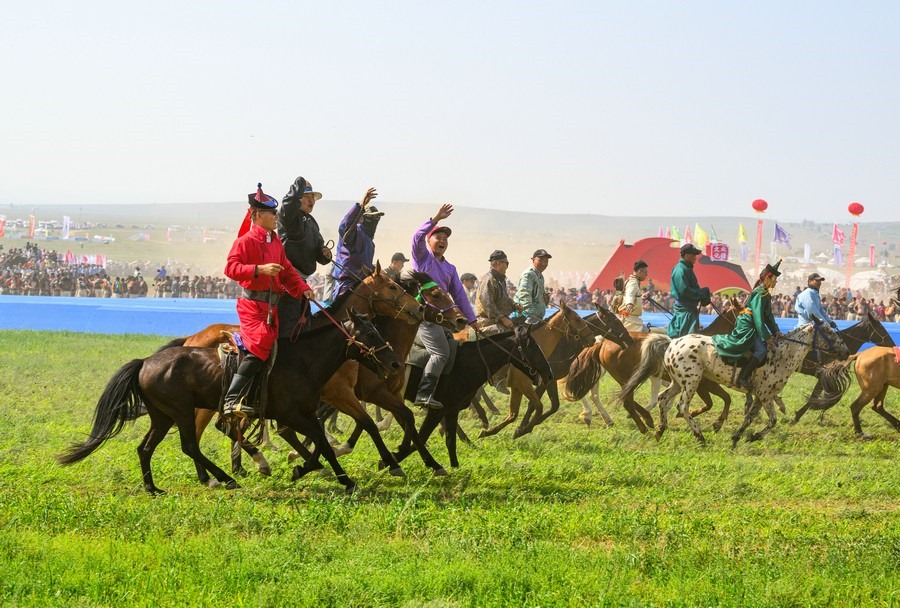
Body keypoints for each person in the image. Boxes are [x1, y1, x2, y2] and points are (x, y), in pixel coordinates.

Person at [222, 183, 314, 419]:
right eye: (272, 213)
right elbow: (230, 268)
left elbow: (288, 271)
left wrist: (303, 289)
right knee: (262, 342)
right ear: (258, 215)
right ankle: (232, 399)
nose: (276, 216)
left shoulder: (275, 242)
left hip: (272, 308)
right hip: (252, 307)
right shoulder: (245, 241)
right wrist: (259, 269)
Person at [410, 203, 477, 409]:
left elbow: (459, 296)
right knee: (441, 354)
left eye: (445, 239)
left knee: (456, 348)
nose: (442, 241)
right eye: (438, 237)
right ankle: (423, 394)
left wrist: (472, 320)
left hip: (443, 319)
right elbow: (416, 238)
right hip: (424, 316)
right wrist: (435, 219)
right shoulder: (422, 259)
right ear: (429, 241)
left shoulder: (450, 268)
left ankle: (443, 390)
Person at [712, 261, 784, 390]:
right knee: (761, 350)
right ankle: (743, 378)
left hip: (753, 324)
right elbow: (758, 318)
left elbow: (768, 316)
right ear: (768, 278)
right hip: (748, 325)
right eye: (774, 279)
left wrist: (776, 331)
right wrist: (767, 337)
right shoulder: (760, 293)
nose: (776, 282)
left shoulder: (765, 294)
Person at [276, 176, 332, 336]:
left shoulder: (312, 223)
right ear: (297, 199)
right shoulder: (289, 217)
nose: (311, 200)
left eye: (312, 197)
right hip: (288, 283)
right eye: (307, 196)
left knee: (305, 326)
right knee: (288, 329)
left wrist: (325, 254)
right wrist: (299, 184)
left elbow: (320, 253)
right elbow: (287, 204)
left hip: (302, 284)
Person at [331, 187, 382, 298]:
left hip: (361, 286)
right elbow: (344, 227)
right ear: (361, 218)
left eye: (377, 218)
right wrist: (360, 206)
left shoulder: (370, 242)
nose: (375, 221)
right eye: (372, 218)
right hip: (347, 287)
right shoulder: (355, 233)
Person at [666, 243, 712, 338]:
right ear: (686, 256)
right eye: (694, 255)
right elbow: (684, 291)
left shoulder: (687, 268)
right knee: (686, 340)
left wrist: (702, 293)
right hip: (685, 313)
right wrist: (701, 294)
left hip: (690, 311)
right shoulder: (680, 269)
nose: (696, 257)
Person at [475, 250, 520, 335]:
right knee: (511, 335)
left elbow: (505, 298)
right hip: (487, 322)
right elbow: (487, 304)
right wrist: (502, 319)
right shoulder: (489, 280)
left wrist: (515, 305)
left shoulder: (500, 280)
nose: (507, 267)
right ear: (498, 263)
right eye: (506, 263)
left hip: (499, 320)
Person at [514, 249, 552, 324]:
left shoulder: (539, 275)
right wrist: (531, 316)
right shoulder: (528, 274)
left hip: (536, 317)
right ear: (533, 260)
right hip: (526, 318)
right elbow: (524, 296)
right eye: (540, 260)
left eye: (546, 261)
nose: (543, 264)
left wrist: (545, 297)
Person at [619, 259, 649, 332]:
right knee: (647, 334)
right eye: (645, 272)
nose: (646, 275)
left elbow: (631, 295)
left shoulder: (631, 281)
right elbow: (629, 294)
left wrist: (641, 297)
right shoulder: (633, 282)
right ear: (640, 272)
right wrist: (629, 303)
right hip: (629, 320)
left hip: (628, 317)